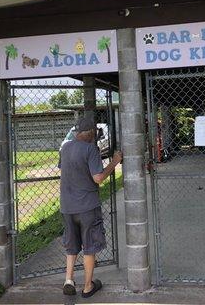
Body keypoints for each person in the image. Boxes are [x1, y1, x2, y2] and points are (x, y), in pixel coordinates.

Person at [58, 116, 123, 298]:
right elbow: (98, 178)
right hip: (87, 206)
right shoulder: (91, 148)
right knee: (89, 246)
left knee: (71, 245)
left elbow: (65, 170)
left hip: (67, 206)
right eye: (92, 133)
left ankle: (69, 280)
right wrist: (115, 161)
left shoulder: (65, 148)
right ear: (90, 133)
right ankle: (88, 287)